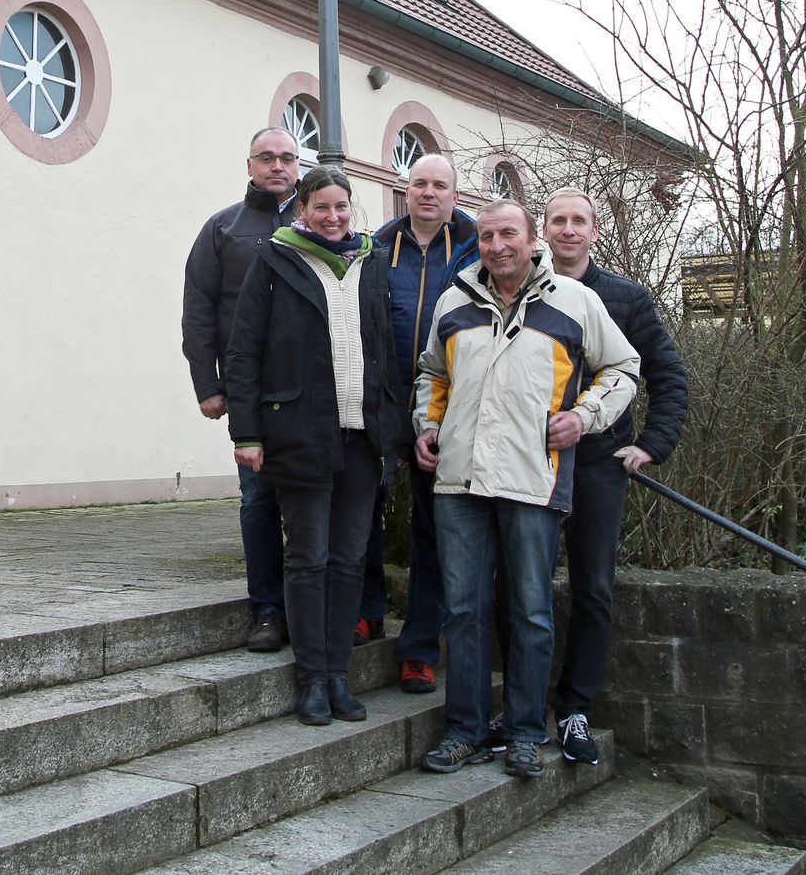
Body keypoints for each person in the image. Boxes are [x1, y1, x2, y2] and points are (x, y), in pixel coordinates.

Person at [414, 199, 639, 779]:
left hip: (533, 477)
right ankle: (464, 729)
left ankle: (523, 731)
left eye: (508, 233)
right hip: (459, 479)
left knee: (532, 611)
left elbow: (624, 369)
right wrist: (428, 423)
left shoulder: (576, 301)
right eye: (487, 235)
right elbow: (433, 373)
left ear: (532, 238)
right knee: (463, 610)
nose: (497, 245)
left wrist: (584, 418)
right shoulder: (454, 299)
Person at [225, 166, 407, 725]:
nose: (332, 217)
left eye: (342, 208)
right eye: (321, 207)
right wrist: (247, 433)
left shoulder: (370, 263)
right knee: (307, 558)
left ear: (353, 210)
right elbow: (244, 350)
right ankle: (310, 682)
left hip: (361, 435)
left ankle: (337, 678)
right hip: (299, 432)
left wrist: (394, 429)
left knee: (350, 559)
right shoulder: (276, 260)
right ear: (302, 209)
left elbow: (386, 347)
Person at [539, 187, 688, 766]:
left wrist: (652, 446)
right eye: (559, 220)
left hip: (601, 461)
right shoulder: (524, 292)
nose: (569, 230)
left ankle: (575, 706)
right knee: (522, 583)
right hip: (533, 461)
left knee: (593, 587)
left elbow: (668, 377)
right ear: (544, 231)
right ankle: (523, 701)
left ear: (595, 231)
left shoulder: (626, 299)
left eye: (580, 221)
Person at [183, 127, 300, 650]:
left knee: (309, 501)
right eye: (267, 158)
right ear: (249, 165)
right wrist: (208, 385)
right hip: (247, 392)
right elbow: (199, 311)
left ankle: (309, 606)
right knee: (257, 500)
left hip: (307, 392)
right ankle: (268, 612)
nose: (278, 166)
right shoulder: (223, 229)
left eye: (287, 158)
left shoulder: (317, 221)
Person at [369, 153, 478, 694]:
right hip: (384, 405)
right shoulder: (376, 250)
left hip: (448, 409)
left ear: (456, 196)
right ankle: (366, 611)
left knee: (432, 530)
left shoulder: (480, 251)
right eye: (419, 183)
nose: (428, 192)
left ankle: (419, 649)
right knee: (362, 509)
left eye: (440, 185)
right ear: (404, 190)